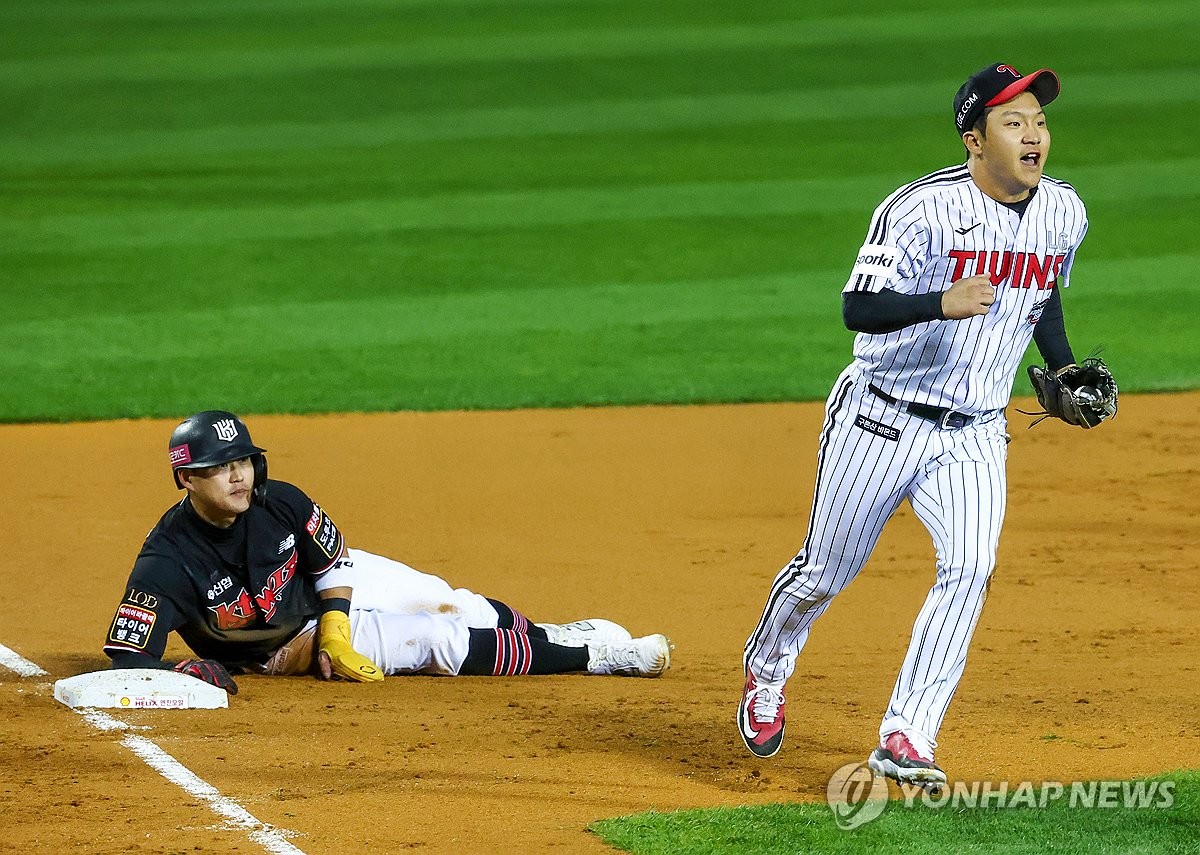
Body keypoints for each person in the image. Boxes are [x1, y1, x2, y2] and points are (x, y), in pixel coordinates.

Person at [738, 63, 1102, 789]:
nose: (1033, 134)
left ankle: (908, 731)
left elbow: (1042, 295)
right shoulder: (916, 211)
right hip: (879, 417)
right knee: (823, 571)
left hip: (972, 432)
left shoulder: (1066, 211)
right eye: (1013, 122)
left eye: (1038, 121)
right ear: (974, 138)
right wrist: (941, 300)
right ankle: (766, 668)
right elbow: (857, 308)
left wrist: (1062, 370)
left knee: (970, 568)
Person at [103, 410, 671, 694]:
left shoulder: (282, 503)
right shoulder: (166, 563)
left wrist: (336, 626)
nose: (237, 477)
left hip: (325, 600)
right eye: (219, 468)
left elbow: (333, 565)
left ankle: (552, 634)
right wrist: (185, 671)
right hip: (282, 645)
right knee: (434, 640)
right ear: (186, 480)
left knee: (449, 601)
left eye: (242, 462)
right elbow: (126, 657)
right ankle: (601, 658)